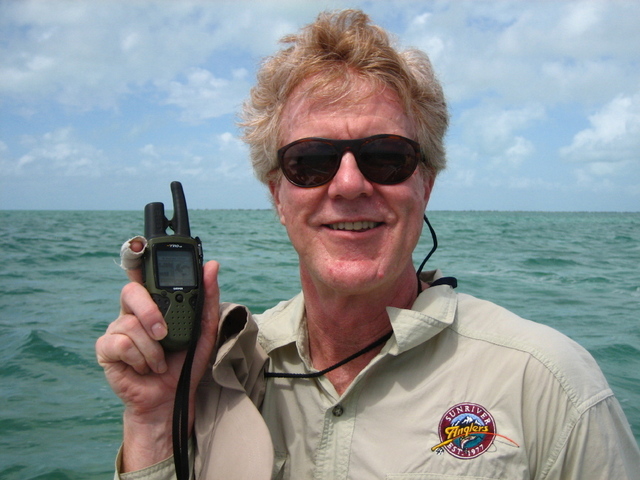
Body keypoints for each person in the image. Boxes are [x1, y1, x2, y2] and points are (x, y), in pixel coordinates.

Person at [96, 9, 640, 479]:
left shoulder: (548, 382)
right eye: (310, 161)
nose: (351, 184)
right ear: (278, 195)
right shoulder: (223, 371)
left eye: (385, 157)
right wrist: (155, 420)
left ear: (425, 184)